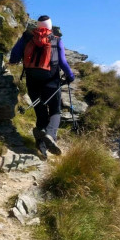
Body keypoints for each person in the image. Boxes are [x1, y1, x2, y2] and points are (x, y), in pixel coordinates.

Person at [9, 15, 75, 159]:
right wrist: (70, 76)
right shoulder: (56, 40)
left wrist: (14, 62)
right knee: (55, 111)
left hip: (32, 80)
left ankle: (41, 147)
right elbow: (63, 62)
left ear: (38, 26)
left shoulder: (27, 37)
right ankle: (50, 136)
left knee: (40, 112)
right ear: (50, 27)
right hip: (51, 81)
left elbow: (14, 57)